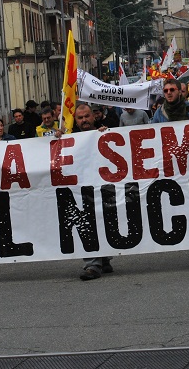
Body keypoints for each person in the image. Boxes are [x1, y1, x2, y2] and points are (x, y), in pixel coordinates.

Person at [74, 104, 113, 281]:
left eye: (87, 116)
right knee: (87, 223)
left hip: (104, 187)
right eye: (80, 118)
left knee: (105, 221)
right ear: (76, 120)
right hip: (82, 189)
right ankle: (92, 264)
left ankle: (104, 258)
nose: (84, 120)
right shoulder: (69, 138)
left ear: (93, 116)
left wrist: (106, 135)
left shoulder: (103, 133)